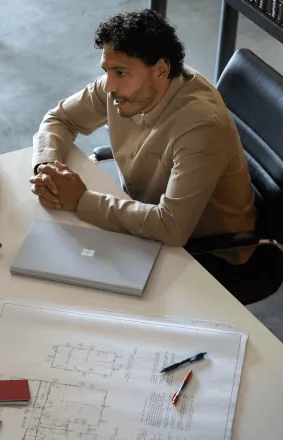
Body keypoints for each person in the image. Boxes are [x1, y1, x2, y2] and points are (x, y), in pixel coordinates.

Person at [29, 9, 256, 264]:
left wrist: (81, 200)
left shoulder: (201, 125)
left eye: (121, 73)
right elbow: (59, 119)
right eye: (107, 71)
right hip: (142, 221)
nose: (109, 85)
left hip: (205, 254)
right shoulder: (121, 87)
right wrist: (48, 169)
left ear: (160, 69)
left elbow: (172, 228)